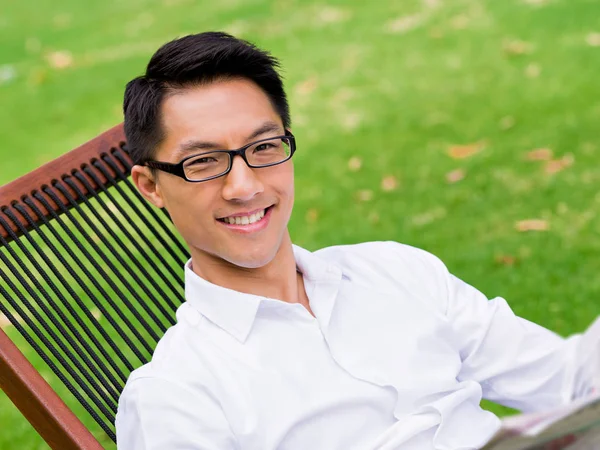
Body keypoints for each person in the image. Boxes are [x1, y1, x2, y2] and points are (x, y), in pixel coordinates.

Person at [115, 32, 600, 449]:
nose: (244, 187)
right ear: (151, 185)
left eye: (263, 148)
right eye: (203, 162)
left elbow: (570, 383)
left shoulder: (397, 272)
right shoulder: (176, 394)